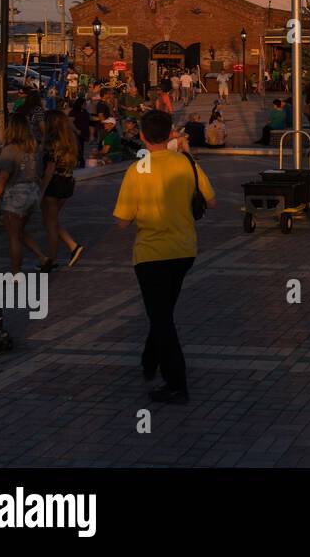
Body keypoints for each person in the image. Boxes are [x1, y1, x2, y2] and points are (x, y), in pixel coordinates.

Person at [110, 110, 215, 404]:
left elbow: (122, 221)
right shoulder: (185, 164)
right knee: (163, 311)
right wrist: (188, 155)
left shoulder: (138, 169)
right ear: (170, 133)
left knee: (161, 317)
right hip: (184, 250)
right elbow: (212, 199)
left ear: (142, 135)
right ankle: (149, 358)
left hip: (151, 253)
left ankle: (176, 382)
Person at [0, 117, 52, 272]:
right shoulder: (34, 148)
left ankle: (16, 272)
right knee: (19, 231)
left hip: (16, 193)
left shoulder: (10, 149)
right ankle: (42, 257)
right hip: (33, 191)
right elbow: (40, 171)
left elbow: (3, 177)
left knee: (13, 236)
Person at [41, 111, 84, 269]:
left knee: (50, 223)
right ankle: (72, 246)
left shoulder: (52, 141)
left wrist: (41, 190)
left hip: (54, 184)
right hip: (67, 182)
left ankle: (51, 259)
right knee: (50, 220)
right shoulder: (69, 140)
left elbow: (49, 169)